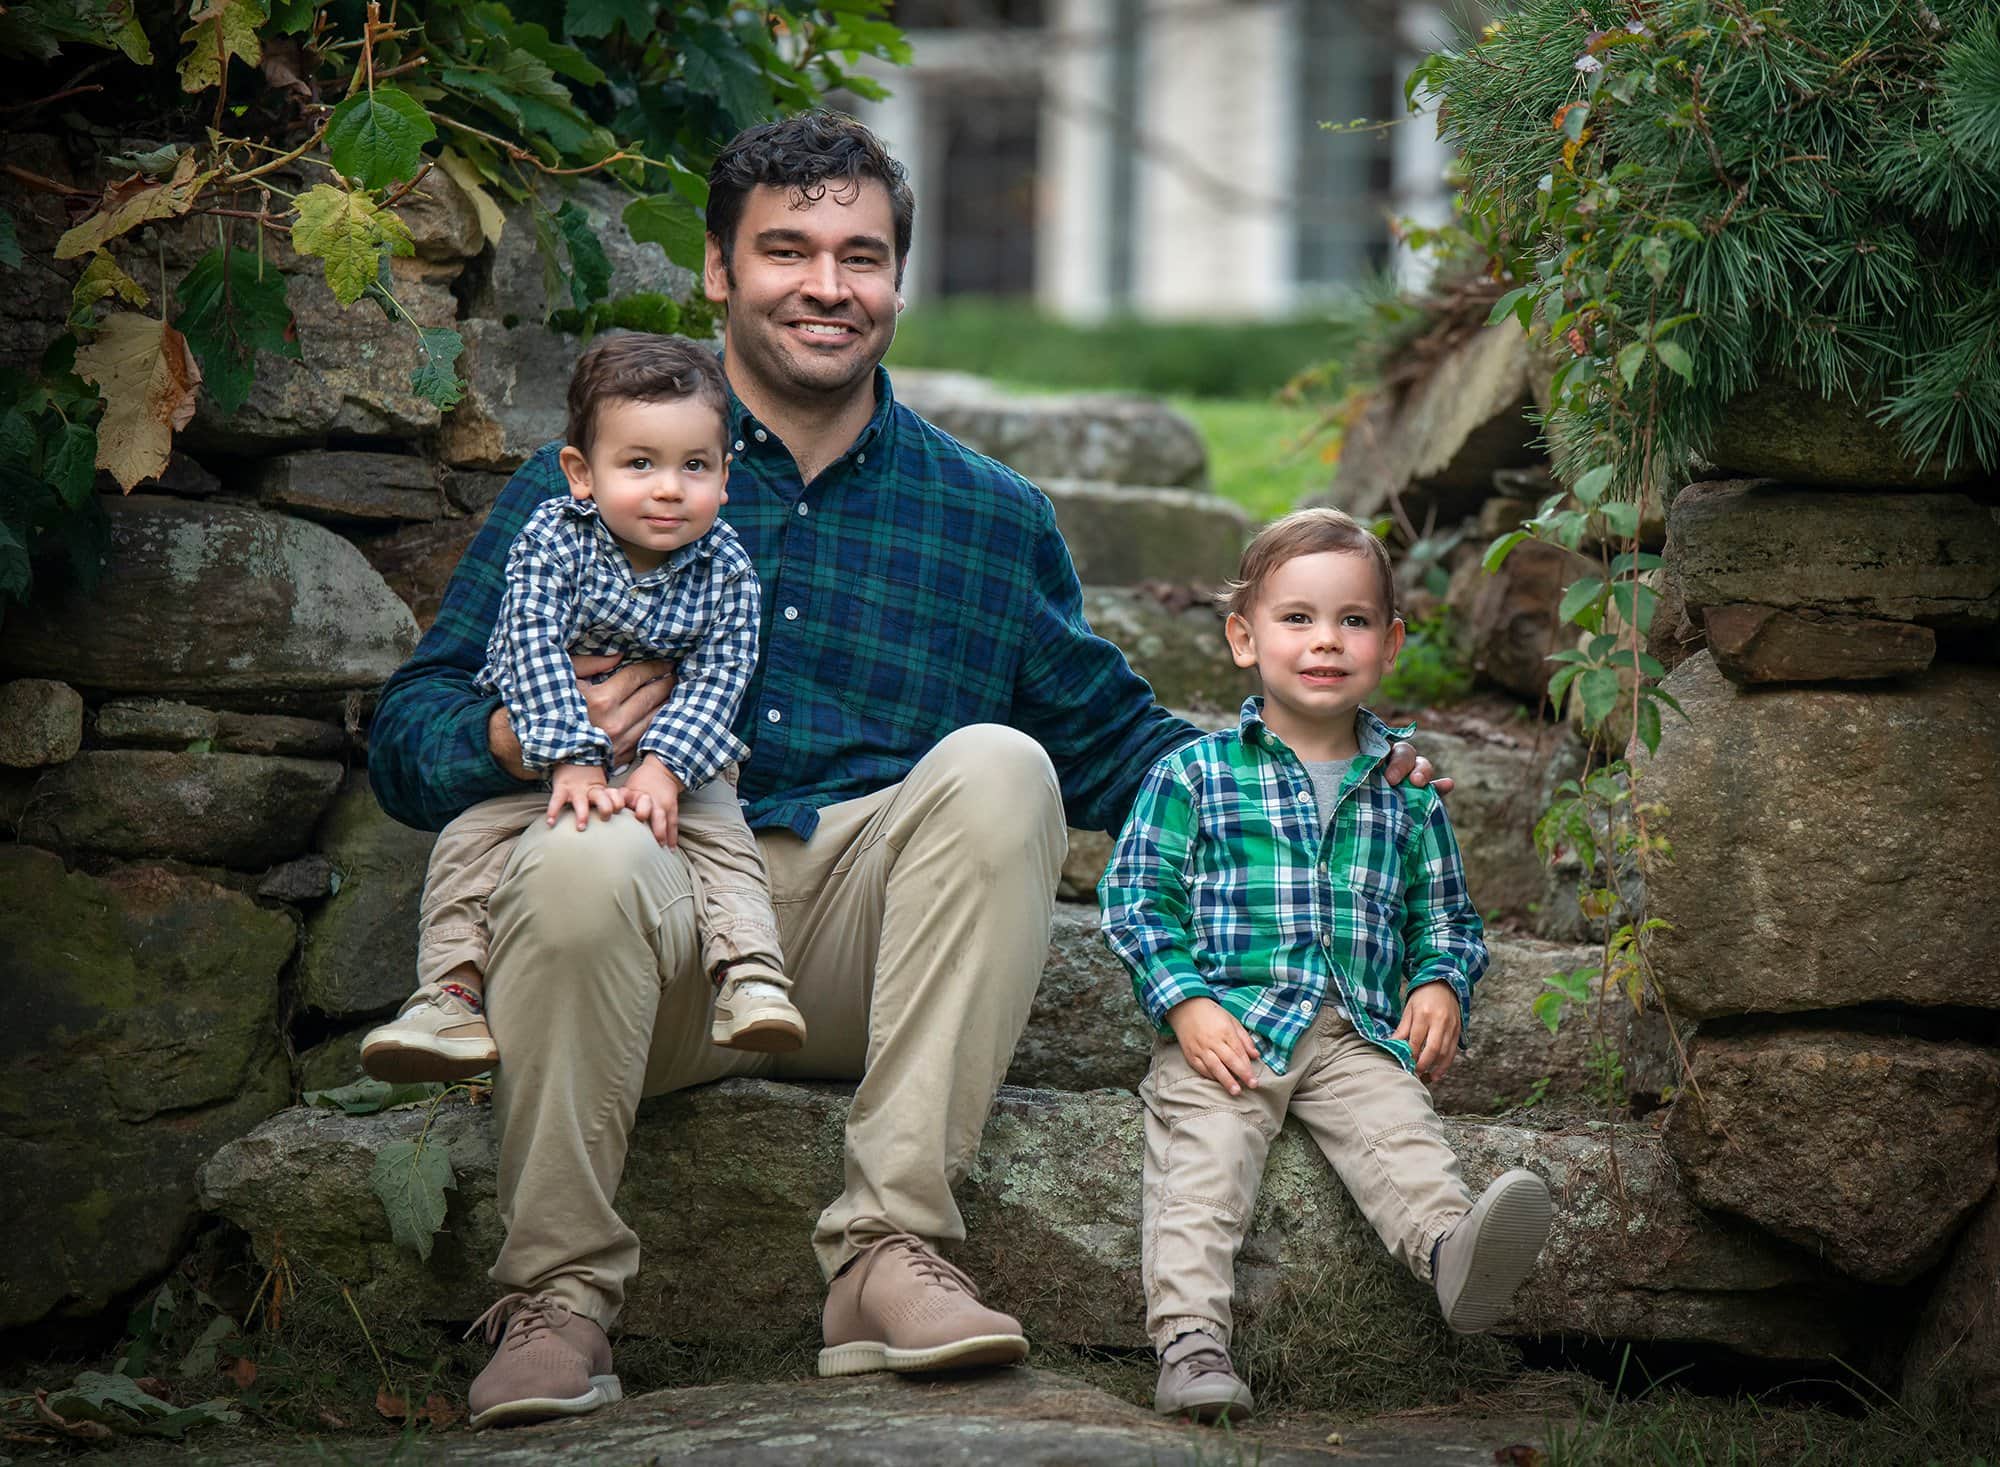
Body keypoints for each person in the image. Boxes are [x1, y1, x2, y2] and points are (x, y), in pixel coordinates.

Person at [366, 111, 1450, 1430]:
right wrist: (514, 735)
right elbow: (409, 724)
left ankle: (886, 1250)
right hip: (631, 953)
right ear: (717, 269)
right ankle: (556, 1297)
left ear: (898, 277)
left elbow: (1119, 746)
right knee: (588, 854)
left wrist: (1334, 779)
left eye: (862, 254)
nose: (829, 283)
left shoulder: (986, 516)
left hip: (852, 957)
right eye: (788, 250)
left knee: (1003, 764)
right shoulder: (589, 489)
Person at [1098, 508, 1549, 1425]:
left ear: (1389, 642)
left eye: (1351, 621)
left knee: (1400, 1129)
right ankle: (1190, 1340)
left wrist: (1436, 981)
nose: (1324, 641)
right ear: (1242, 636)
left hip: (1352, 1029)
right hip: (1230, 1025)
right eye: (1296, 618)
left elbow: (1449, 919)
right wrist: (1184, 1004)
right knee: (1207, 1156)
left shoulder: (1406, 792)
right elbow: (1136, 898)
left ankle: (1452, 1249)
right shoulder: (1193, 774)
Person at [360, 335, 805, 1089]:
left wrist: (666, 764)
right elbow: (526, 644)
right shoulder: (550, 541)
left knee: (728, 840)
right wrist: (568, 751)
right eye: (640, 464)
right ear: (581, 474)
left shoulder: (727, 566)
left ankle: (751, 978)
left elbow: (725, 671)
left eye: (694, 466)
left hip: (674, 761)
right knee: (468, 845)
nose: (669, 488)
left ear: (725, 477)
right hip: (543, 758)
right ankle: (449, 996)